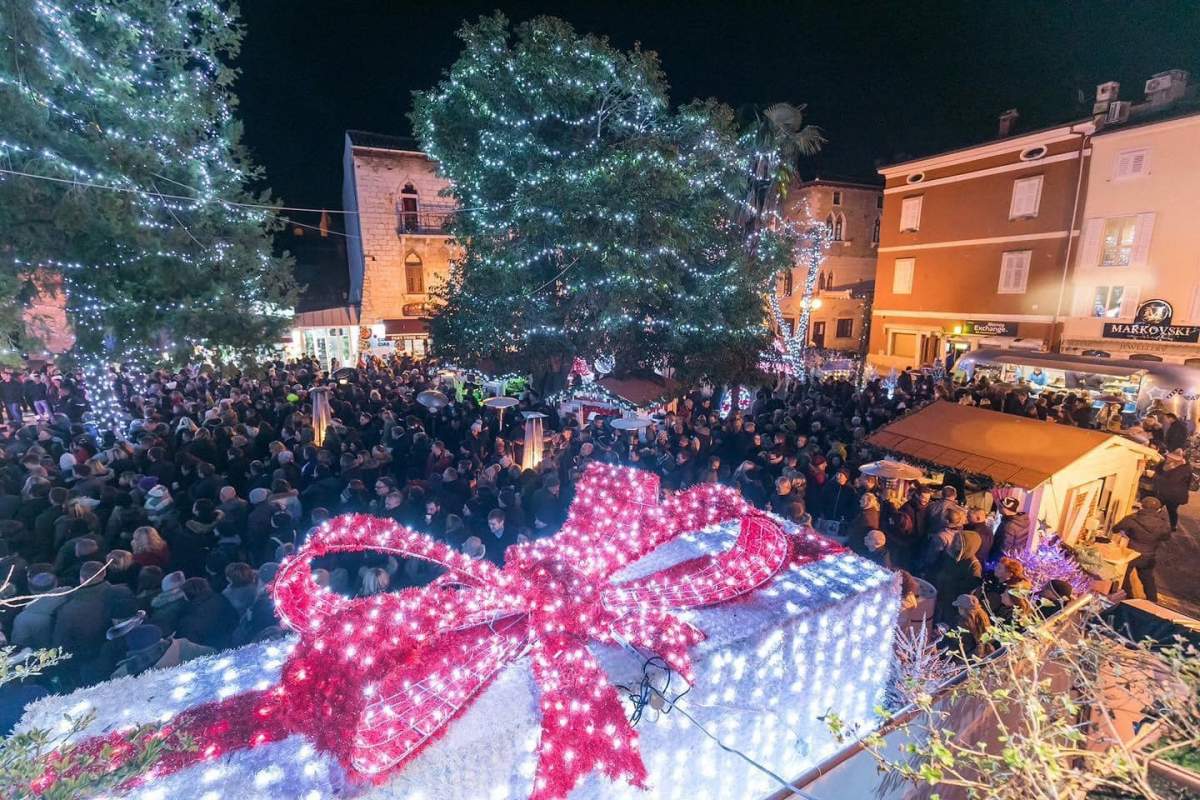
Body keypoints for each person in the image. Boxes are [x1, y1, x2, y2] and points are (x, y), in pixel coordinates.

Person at [1113, 496, 1172, 602]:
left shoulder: (1131, 518)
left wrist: (1126, 533)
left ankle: (1129, 598)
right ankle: (1152, 601)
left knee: (1124, 576)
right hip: (1149, 555)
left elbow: (1115, 529)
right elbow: (1166, 537)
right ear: (1158, 510)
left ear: (1141, 506)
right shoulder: (1163, 524)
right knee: (1148, 578)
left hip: (1131, 553)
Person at [1153, 450, 1192, 531]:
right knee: (1158, 507)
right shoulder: (1164, 463)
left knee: (1170, 509)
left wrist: (1156, 476)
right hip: (1165, 492)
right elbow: (1158, 470)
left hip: (1173, 495)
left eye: (1170, 458)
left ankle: (1172, 526)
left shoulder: (1184, 469)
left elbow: (1171, 480)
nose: (1168, 458)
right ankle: (1154, 522)